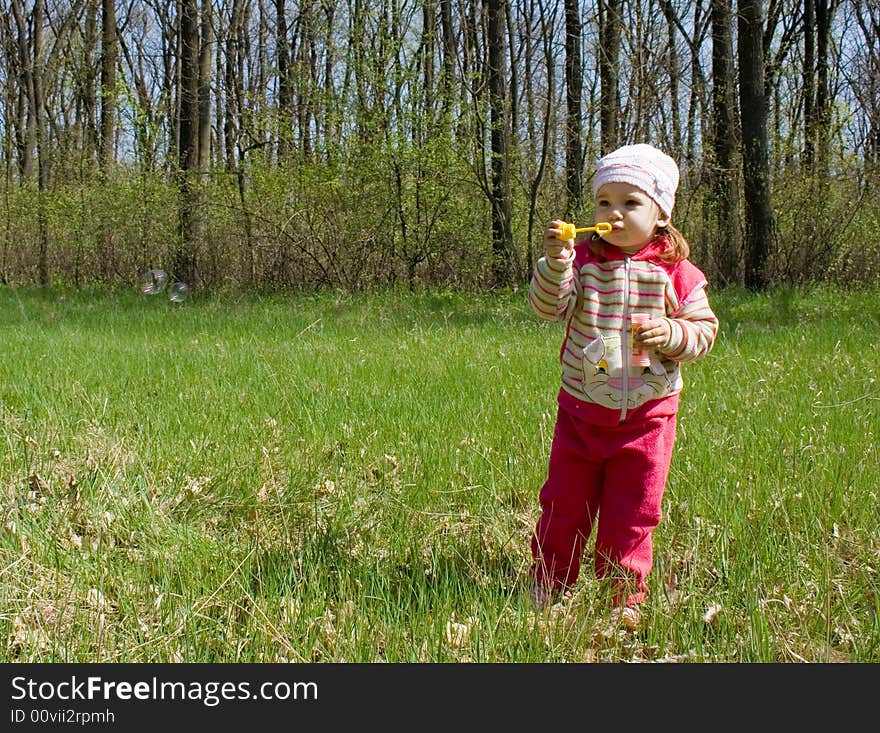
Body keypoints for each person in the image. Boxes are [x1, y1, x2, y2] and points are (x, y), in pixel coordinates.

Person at [527, 143, 719, 625]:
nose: (613, 212)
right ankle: (550, 583)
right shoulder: (585, 262)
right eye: (604, 201)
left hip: (648, 419)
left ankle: (622, 601)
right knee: (563, 504)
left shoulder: (678, 273)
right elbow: (547, 308)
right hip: (581, 412)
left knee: (633, 513)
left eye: (630, 203)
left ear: (660, 215)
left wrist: (672, 333)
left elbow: (703, 331)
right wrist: (556, 264)